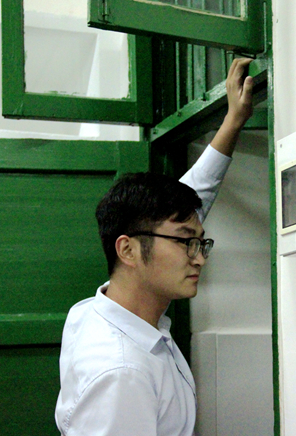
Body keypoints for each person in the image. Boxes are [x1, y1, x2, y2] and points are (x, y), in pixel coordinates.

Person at [54, 58, 254, 436]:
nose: (199, 258)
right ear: (127, 250)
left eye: (200, 242)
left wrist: (233, 121)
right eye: (186, 243)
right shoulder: (121, 373)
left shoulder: (96, 313)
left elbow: (190, 202)